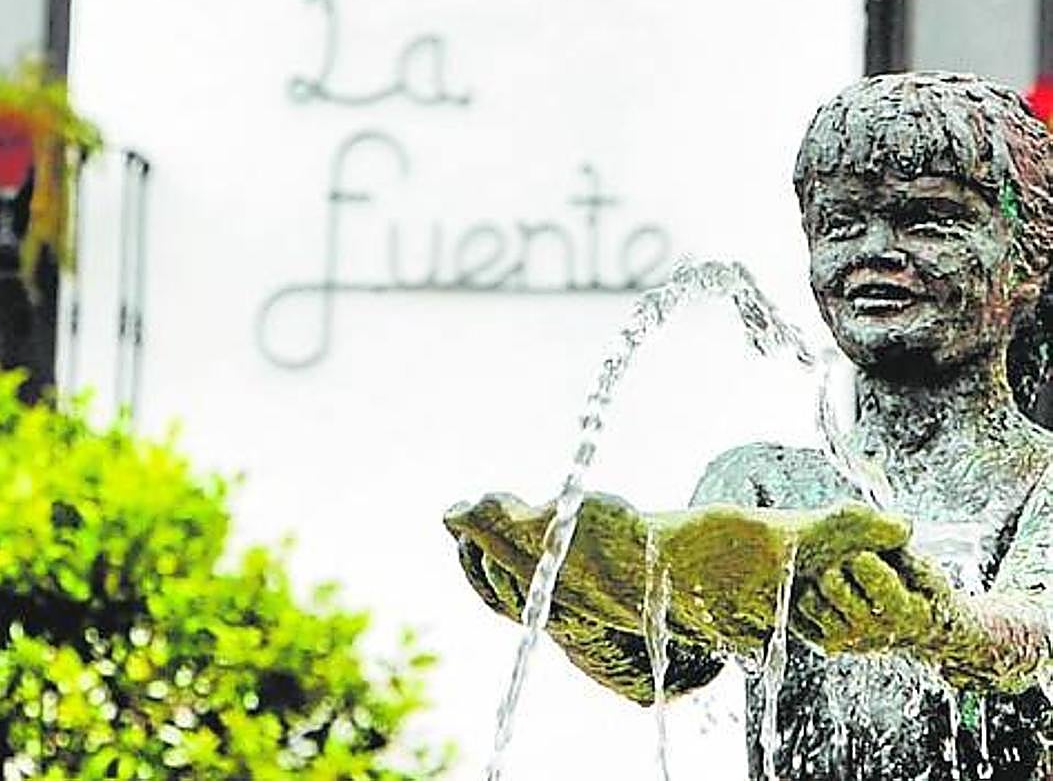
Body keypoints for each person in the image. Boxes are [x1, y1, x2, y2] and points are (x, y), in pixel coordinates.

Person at [447, 72, 1053, 780]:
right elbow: (668, 664)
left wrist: (936, 623)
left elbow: (1035, 636)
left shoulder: (1037, 478)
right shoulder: (764, 486)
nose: (874, 251)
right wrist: (570, 605)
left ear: (1027, 258)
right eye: (841, 223)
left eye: (927, 219)